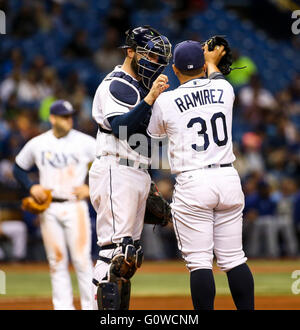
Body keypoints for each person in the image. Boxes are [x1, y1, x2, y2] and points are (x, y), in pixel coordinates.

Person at [147, 40, 254, 310]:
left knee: (200, 262)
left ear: (174, 69)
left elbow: (154, 133)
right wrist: (211, 62)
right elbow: (214, 75)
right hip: (228, 178)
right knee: (234, 259)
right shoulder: (224, 87)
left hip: (194, 182)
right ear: (204, 66)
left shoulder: (167, 101)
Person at [88, 25, 172, 310]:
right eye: (149, 56)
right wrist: (151, 99)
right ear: (131, 52)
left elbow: (146, 143)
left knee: (128, 259)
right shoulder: (117, 84)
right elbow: (122, 128)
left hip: (134, 172)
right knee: (114, 252)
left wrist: (147, 182)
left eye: (159, 59)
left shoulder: (141, 88)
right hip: (115, 169)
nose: (156, 64)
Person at [13, 100, 96, 310]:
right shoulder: (39, 143)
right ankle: (63, 307)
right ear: (52, 118)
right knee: (56, 261)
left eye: (70, 116)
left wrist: (90, 188)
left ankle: (90, 308)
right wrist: (31, 187)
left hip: (75, 205)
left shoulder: (86, 142)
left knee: (82, 261)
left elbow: (106, 167)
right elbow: (18, 168)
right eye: (63, 116)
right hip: (48, 208)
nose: (69, 119)